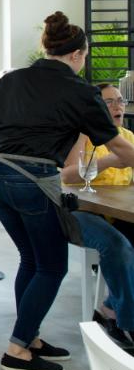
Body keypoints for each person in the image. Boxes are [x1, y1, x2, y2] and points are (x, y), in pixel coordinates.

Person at [0, 11, 134, 370]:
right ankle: (17, 350)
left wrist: (8, 151)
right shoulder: (80, 91)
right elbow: (118, 147)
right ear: (77, 54)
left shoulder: (11, 80)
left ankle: (31, 339)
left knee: (30, 260)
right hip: (33, 181)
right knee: (51, 266)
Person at [60, 83, 134, 350]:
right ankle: (128, 323)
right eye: (109, 102)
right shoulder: (83, 136)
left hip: (118, 212)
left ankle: (109, 308)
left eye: (120, 100)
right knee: (117, 246)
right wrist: (110, 161)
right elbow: (66, 176)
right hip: (81, 212)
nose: (117, 107)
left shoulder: (128, 138)